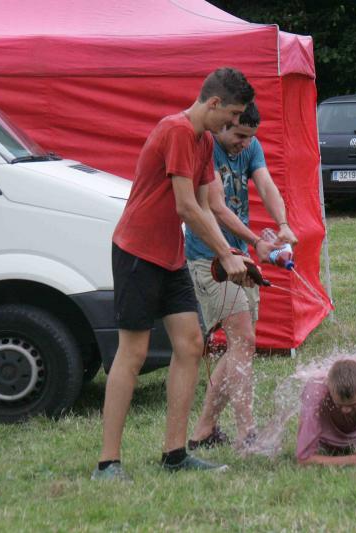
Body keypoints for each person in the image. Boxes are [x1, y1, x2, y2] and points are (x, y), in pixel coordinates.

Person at [92, 68, 256, 481]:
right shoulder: (178, 131)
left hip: (170, 257)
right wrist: (225, 253)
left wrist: (233, 254)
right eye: (233, 115)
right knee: (133, 353)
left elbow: (206, 206)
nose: (234, 124)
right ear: (214, 103)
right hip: (137, 254)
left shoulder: (203, 141)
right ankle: (108, 462)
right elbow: (185, 206)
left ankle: (175, 453)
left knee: (190, 344)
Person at [184, 102, 298, 451]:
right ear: (222, 124)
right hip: (211, 260)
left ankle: (203, 430)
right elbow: (215, 208)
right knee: (244, 341)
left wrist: (282, 225)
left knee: (240, 346)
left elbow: (266, 185)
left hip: (240, 259)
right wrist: (255, 242)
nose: (245, 144)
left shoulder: (250, 145)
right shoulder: (207, 146)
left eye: (251, 137)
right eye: (239, 135)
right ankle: (247, 432)